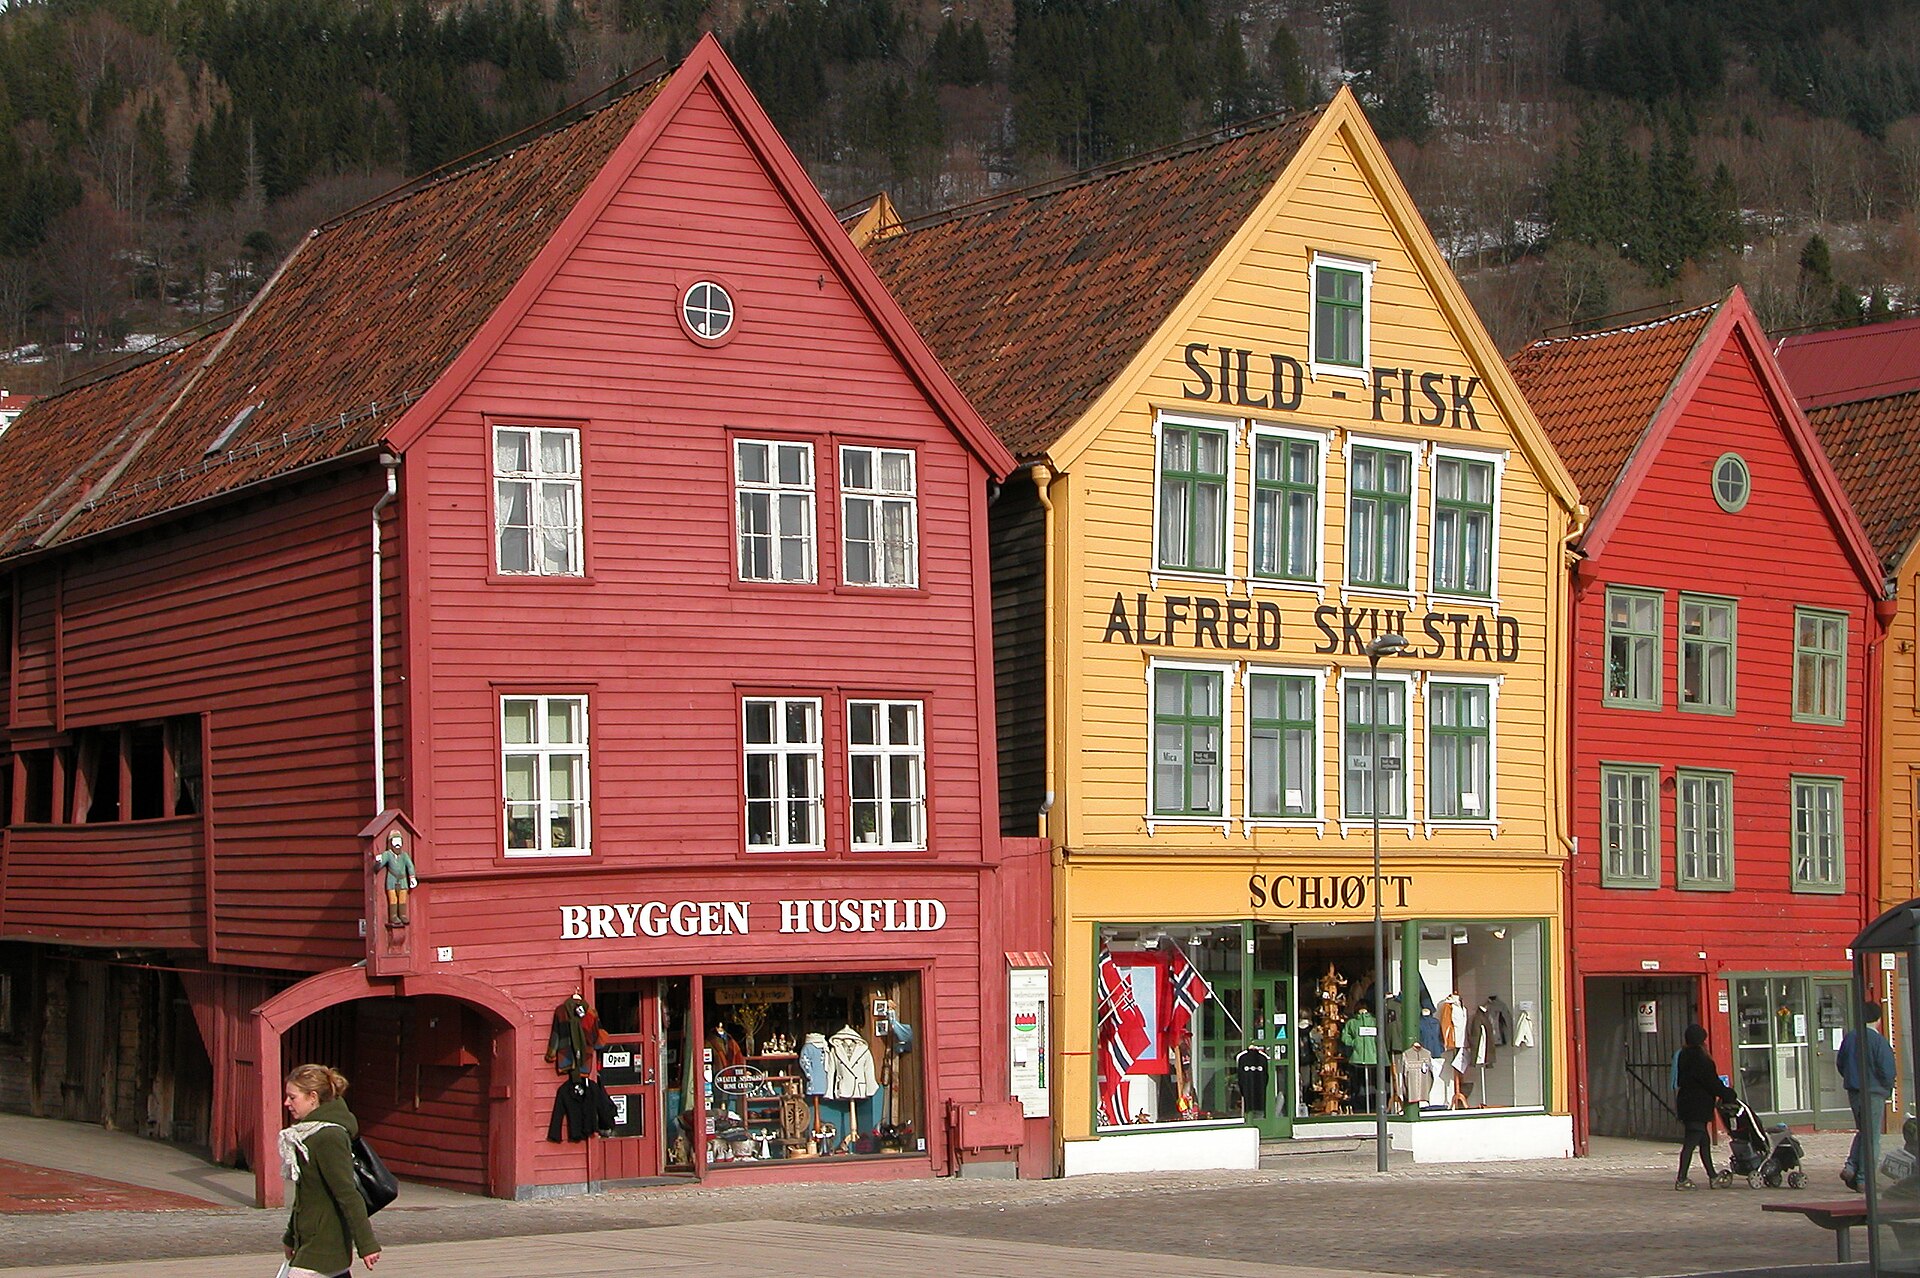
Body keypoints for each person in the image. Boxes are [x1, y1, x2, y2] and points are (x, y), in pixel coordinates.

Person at [280, 1064, 381, 1276]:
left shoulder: (328, 1137)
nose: (286, 1103)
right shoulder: (308, 1134)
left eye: (292, 1097)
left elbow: (347, 1193)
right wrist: (290, 1237)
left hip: (322, 1246)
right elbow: (305, 1196)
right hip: (311, 1242)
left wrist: (367, 1244)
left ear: (313, 1097)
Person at [1839, 1003, 1897, 1191]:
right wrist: (1887, 1087)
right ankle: (1865, 1179)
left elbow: (1841, 1064)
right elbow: (1887, 1070)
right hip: (1873, 1091)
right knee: (1872, 1137)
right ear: (1878, 1020)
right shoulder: (1878, 1041)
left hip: (1854, 1091)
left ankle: (1851, 1166)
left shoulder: (1850, 1038)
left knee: (1863, 1131)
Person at [1674, 1023, 1735, 1190]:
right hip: (1698, 1106)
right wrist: (1728, 1094)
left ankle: (1713, 1176)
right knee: (1690, 1143)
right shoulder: (1702, 1059)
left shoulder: (1683, 1055)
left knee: (1704, 1142)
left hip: (1686, 1103)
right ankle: (1681, 1179)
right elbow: (1712, 1082)